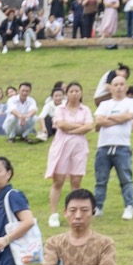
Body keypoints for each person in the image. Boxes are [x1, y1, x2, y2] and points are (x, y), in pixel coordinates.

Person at [90, 73, 133, 219]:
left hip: (122, 146)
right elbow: (98, 121)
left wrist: (109, 117)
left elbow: (128, 117)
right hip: (103, 146)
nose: (118, 87)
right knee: (101, 179)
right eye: (116, 85)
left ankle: (129, 206)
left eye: (121, 84)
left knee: (125, 178)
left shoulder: (130, 102)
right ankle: (98, 206)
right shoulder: (104, 104)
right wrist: (118, 119)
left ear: (126, 87)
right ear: (110, 88)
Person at [45, 82, 92, 223]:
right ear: (67, 93)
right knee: (58, 181)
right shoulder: (60, 109)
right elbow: (61, 125)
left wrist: (71, 130)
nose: (74, 93)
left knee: (76, 181)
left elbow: (89, 126)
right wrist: (79, 127)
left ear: (81, 93)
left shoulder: (85, 109)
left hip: (79, 147)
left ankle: (74, 212)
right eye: (71, 91)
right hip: (62, 147)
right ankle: (53, 214)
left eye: (77, 91)